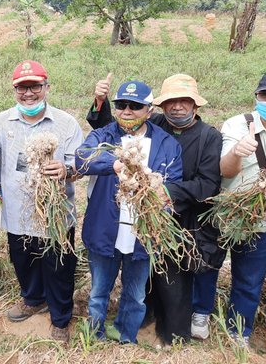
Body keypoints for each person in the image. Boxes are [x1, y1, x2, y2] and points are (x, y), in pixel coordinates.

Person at [86, 73, 223, 344]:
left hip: (172, 222)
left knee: (155, 287)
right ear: (160, 108)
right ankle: (100, 332)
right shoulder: (130, 128)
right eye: (171, 101)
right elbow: (97, 142)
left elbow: (204, 183)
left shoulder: (205, 137)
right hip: (121, 222)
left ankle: (148, 332)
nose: (178, 107)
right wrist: (99, 101)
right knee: (112, 289)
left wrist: (161, 191)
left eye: (185, 101)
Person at [0, 60, 83, 343]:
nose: (29, 93)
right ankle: (33, 298)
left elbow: (79, 165)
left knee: (59, 267)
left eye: (35, 86)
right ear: (14, 90)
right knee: (23, 261)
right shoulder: (1, 121)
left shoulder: (66, 123)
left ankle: (60, 318)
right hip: (18, 212)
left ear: (47, 87)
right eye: (22, 87)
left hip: (55, 215)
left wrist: (66, 171)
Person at [193, 69, 266, 347]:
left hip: (262, 220)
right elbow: (224, 171)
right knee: (206, 267)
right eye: (265, 95)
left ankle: (238, 331)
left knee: (250, 280)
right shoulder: (237, 125)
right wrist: (237, 153)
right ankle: (200, 314)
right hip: (224, 214)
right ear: (256, 96)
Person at [76, 80, 183, 344]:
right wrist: (112, 164)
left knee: (135, 295)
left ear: (149, 109)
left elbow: (174, 181)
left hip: (143, 234)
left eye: (135, 106)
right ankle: (95, 333)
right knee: (99, 290)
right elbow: (82, 157)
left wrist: (160, 192)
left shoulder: (167, 143)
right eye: (121, 105)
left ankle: (126, 335)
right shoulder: (104, 135)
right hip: (105, 227)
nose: (127, 111)